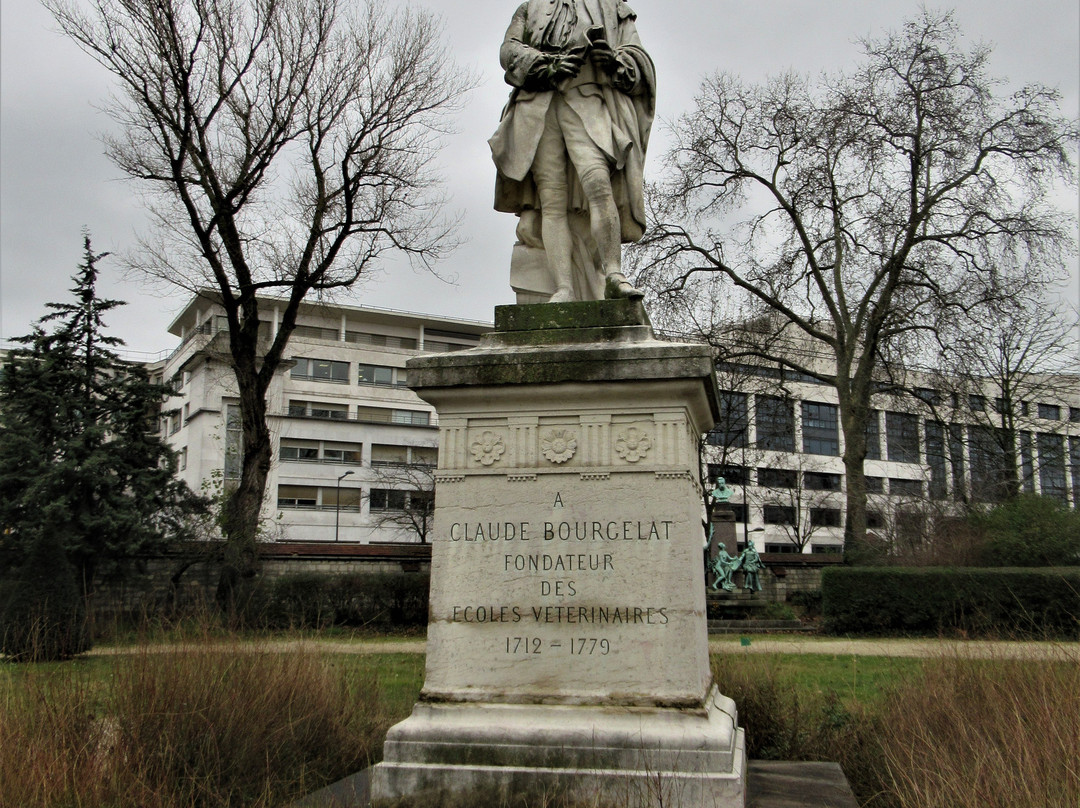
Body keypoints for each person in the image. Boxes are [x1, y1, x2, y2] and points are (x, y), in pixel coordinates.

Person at [489, 0, 655, 302]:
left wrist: (614, 60)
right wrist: (545, 65)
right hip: (539, 106)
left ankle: (614, 275)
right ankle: (563, 288)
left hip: (587, 100)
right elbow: (508, 49)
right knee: (551, 200)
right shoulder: (531, 8)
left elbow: (637, 56)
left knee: (598, 185)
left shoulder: (612, 6)